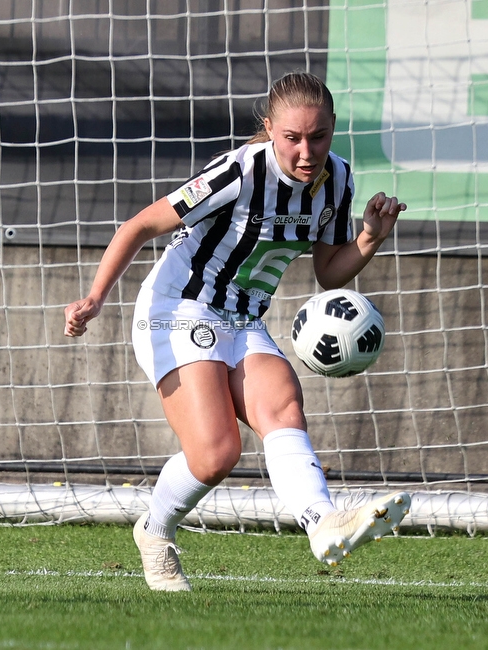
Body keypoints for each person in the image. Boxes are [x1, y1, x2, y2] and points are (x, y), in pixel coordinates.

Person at [64, 71, 411, 591]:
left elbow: (328, 273)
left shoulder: (337, 180)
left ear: (333, 129)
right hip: (179, 308)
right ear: (269, 129)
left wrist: (369, 236)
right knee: (217, 453)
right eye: (292, 137)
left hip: (244, 318)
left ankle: (323, 524)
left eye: (318, 136)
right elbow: (137, 226)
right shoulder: (237, 172)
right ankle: (155, 533)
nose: (305, 151)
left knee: (282, 404)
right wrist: (94, 296)